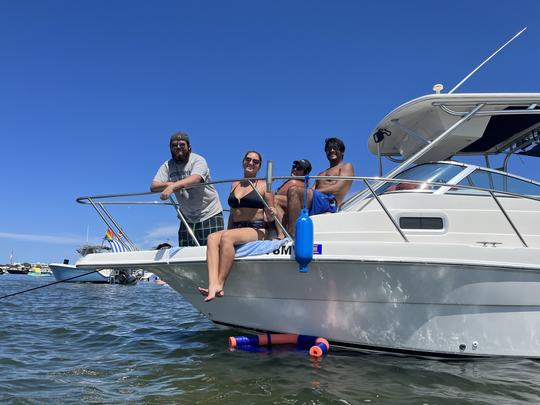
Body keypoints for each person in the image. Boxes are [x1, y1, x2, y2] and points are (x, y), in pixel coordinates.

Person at [198, 151, 275, 301]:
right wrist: (228, 229)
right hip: (237, 228)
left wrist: (272, 215)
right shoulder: (234, 184)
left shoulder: (265, 186)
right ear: (243, 162)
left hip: (257, 228)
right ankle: (212, 283)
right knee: (212, 237)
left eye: (255, 161)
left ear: (259, 166)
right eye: (248, 159)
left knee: (227, 237)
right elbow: (233, 213)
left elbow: (271, 215)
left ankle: (220, 284)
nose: (251, 163)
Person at [151, 131, 224, 246]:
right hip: (187, 217)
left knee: (213, 252)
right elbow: (154, 186)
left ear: (189, 146)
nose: (178, 147)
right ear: (170, 148)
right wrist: (169, 184)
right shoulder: (167, 166)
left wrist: (173, 187)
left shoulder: (198, 160)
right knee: (186, 253)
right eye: (174, 145)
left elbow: (195, 179)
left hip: (210, 213)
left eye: (181, 144)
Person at [286, 137, 354, 236]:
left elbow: (338, 188)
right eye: (328, 149)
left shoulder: (346, 166)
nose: (331, 151)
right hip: (317, 200)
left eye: (335, 148)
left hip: (329, 202)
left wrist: (314, 192)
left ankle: (292, 236)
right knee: (277, 200)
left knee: (294, 191)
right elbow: (310, 191)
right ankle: (278, 235)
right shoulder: (321, 173)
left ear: (342, 151)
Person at [273, 159, 312, 239]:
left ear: (305, 173)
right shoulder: (296, 183)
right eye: (294, 166)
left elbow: (276, 197)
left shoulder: (294, 182)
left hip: (291, 213)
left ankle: (281, 234)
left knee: (273, 199)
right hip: (286, 213)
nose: (294, 169)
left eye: (299, 168)